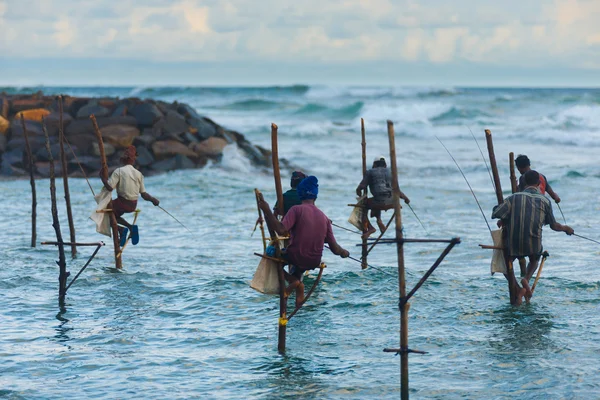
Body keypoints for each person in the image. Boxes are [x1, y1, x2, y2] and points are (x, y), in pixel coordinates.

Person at [258, 175, 350, 308]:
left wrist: (266, 209)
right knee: (299, 264)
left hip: (296, 256)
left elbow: (281, 230)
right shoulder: (324, 218)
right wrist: (344, 253)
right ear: (316, 197)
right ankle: (298, 291)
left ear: (300, 194)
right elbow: (335, 249)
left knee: (270, 253)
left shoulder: (296, 210)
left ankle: (294, 282)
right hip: (313, 261)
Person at [492, 170, 573, 303]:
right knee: (535, 260)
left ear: (523, 183)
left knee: (505, 263)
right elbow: (553, 226)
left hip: (513, 245)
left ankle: (517, 288)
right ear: (538, 183)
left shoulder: (513, 198)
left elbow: (496, 213)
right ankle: (526, 279)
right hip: (533, 246)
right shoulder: (545, 201)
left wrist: (499, 208)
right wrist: (566, 229)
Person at [100, 145, 160, 246]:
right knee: (114, 215)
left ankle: (121, 229)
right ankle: (130, 227)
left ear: (123, 160)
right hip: (132, 205)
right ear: (133, 160)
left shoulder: (118, 171)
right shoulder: (138, 174)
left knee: (103, 213)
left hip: (122, 203)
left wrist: (102, 178)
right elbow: (144, 195)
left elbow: (110, 188)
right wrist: (154, 200)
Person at [355, 156, 410, 238]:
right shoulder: (391, 172)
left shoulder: (370, 172)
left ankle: (370, 228)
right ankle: (379, 221)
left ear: (374, 165)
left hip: (378, 202)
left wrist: (359, 194)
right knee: (375, 200)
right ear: (385, 165)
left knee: (363, 206)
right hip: (393, 202)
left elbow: (360, 188)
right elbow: (397, 190)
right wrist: (406, 199)